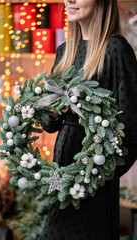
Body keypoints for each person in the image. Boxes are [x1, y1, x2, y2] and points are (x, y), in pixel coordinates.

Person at [40, 0, 137, 239]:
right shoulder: (65, 51)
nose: (70, 0)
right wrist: (51, 112)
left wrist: (95, 175)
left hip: (95, 180)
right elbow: (49, 124)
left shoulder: (116, 49)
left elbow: (132, 129)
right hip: (61, 173)